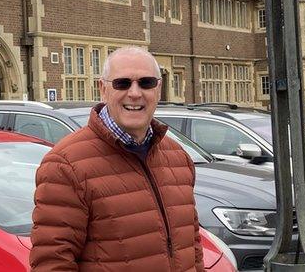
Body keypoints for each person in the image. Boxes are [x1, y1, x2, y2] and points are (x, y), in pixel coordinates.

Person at [30, 46, 204, 271]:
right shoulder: (66, 164)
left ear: (158, 89)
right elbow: (52, 263)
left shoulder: (178, 157)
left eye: (146, 83)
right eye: (122, 83)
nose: (134, 93)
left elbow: (192, 246)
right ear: (103, 89)